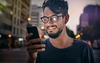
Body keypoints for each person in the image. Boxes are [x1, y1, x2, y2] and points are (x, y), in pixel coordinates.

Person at [25, 0, 95, 63]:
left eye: (54, 18)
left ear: (66, 19)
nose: (49, 23)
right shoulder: (39, 48)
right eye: (45, 18)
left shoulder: (84, 49)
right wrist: (31, 59)